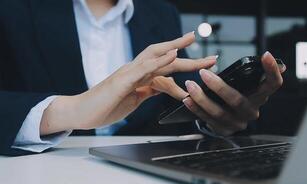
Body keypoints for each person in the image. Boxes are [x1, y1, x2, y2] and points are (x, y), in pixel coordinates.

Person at [0, 0, 285, 156]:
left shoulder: (161, 13)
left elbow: (175, 104)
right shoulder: (14, 8)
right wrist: (69, 110)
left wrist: (215, 120)